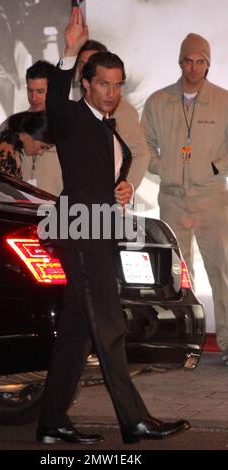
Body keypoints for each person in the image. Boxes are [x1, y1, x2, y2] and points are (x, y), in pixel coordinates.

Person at [36, 6, 190, 445]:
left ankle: (51, 423)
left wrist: (122, 187)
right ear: (86, 83)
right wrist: (68, 52)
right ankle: (134, 419)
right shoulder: (72, 115)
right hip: (80, 230)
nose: (111, 92)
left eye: (118, 85)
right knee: (109, 324)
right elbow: (57, 106)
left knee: (78, 330)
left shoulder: (110, 125)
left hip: (97, 227)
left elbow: (107, 170)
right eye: (103, 83)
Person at [141, 33, 228, 361]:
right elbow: (142, 144)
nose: (194, 67)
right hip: (173, 197)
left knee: (222, 271)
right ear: (180, 62)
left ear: (209, 63)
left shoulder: (224, 100)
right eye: (188, 61)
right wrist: (164, 167)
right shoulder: (158, 101)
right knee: (178, 273)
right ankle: (181, 343)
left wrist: (214, 169)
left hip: (211, 198)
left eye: (200, 61)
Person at [70, 39, 150, 201]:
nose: (87, 67)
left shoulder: (118, 107)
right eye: (82, 64)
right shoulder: (74, 103)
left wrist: (128, 186)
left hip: (100, 207)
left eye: (93, 62)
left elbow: (140, 152)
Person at [0, 60, 63, 195]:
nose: (34, 97)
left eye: (40, 91)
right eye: (30, 91)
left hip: (57, 209)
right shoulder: (10, 126)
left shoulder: (69, 128)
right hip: (17, 208)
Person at [0, 111, 53, 179]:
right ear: (35, 134)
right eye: (43, 147)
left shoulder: (8, 141)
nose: (41, 153)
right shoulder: (6, 148)